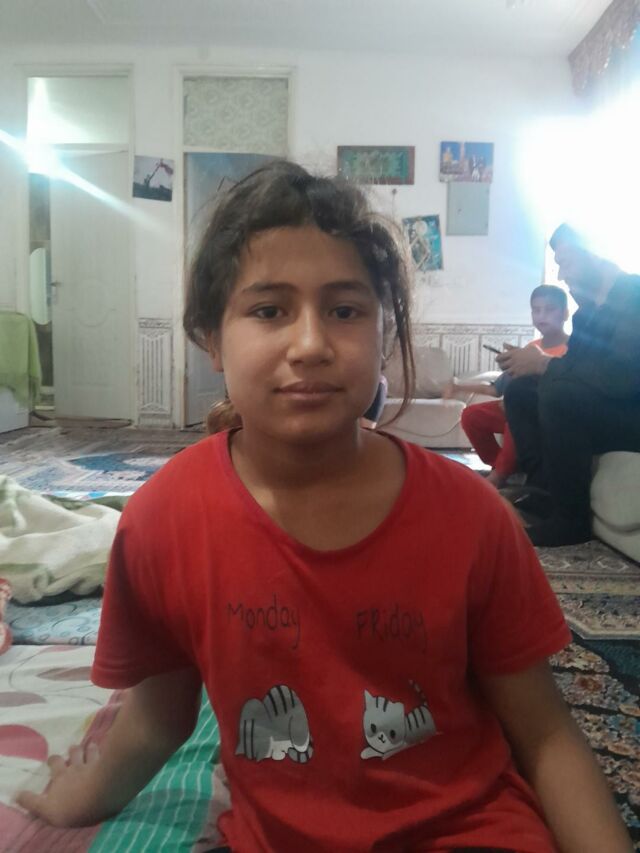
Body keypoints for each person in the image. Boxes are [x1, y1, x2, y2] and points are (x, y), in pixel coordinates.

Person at [18, 165, 631, 853]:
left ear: (382, 333)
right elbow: (158, 717)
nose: (310, 345)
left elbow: (545, 733)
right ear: (211, 337)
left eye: (344, 311)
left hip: (470, 829)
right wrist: (81, 797)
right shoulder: (162, 520)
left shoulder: (471, 516)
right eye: (269, 310)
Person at [499, 224, 640, 547]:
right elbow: (572, 368)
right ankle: (545, 492)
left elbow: (622, 377)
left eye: (566, 262)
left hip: (632, 414)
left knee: (560, 395)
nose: (562, 275)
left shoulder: (634, 295)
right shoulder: (586, 313)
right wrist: (531, 366)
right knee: (521, 392)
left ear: (594, 252)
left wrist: (544, 363)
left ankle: (570, 521)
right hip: (604, 410)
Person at [443, 286, 569, 488]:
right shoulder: (530, 348)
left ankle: (500, 475)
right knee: (471, 416)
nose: (542, 316)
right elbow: (496, 388)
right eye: (536, 310)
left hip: (546, 413)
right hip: (516, 408)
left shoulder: (572, 349)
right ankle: (504, 468)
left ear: (565, 314)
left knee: (515, 415)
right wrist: (459, 386)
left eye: (549, 309)